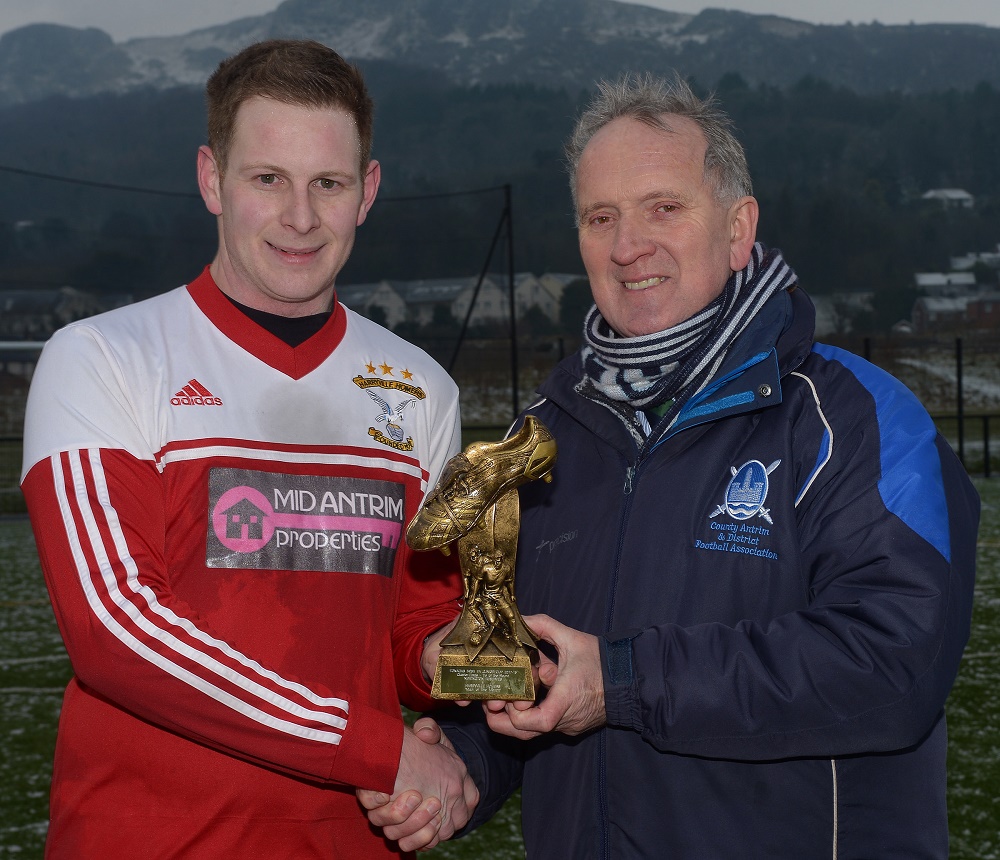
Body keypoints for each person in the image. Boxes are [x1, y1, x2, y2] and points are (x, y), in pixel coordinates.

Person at [362, 72, 980, 858]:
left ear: (737, 227)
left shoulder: (855, 418)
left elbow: (897, 661)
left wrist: (624, 681)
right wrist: (468, 766)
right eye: (601, 217)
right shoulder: (542, 441)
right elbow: (540, 675)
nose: (628, 246)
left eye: (664, 207)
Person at [20, 39, 477, 859]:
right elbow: (116, 632)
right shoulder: (105, 357)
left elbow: (418, 634)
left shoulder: (421, 390)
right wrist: (378, 750)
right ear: (211, 179)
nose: (300, 217)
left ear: (366, 192)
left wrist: (478, 661)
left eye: (327, 184)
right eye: (268, 179)